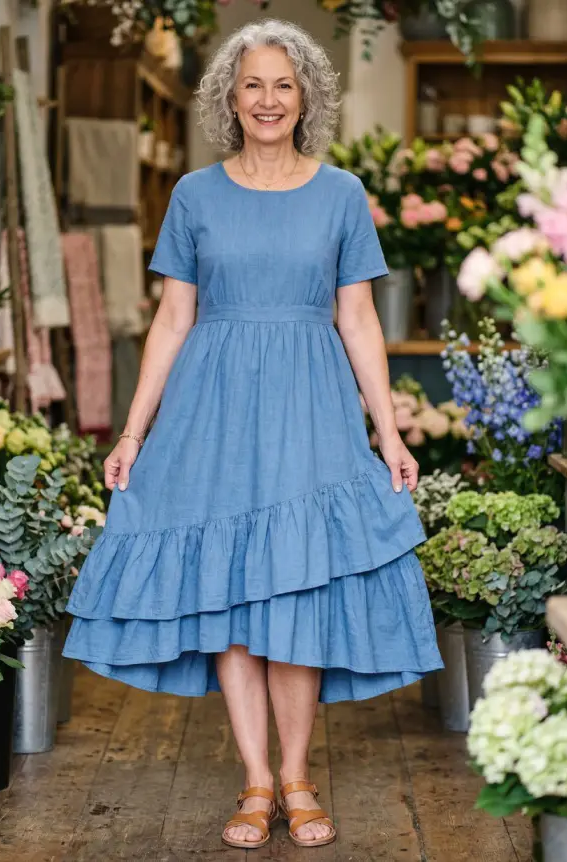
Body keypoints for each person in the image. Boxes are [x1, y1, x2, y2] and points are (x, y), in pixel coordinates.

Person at [63, 18, 443, 850]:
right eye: (252, 86)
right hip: (212, 410)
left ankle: (298, 777)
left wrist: (388, 434)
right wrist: (131, 434)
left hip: (310, 408)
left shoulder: (340, 194)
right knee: (233, 598)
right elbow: (172, 320)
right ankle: (256, 780)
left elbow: (358, 321)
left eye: (282, 85)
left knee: (295, 591)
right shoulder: (193, 195)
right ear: (228, 100)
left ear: (305, 97)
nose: (267, 100)